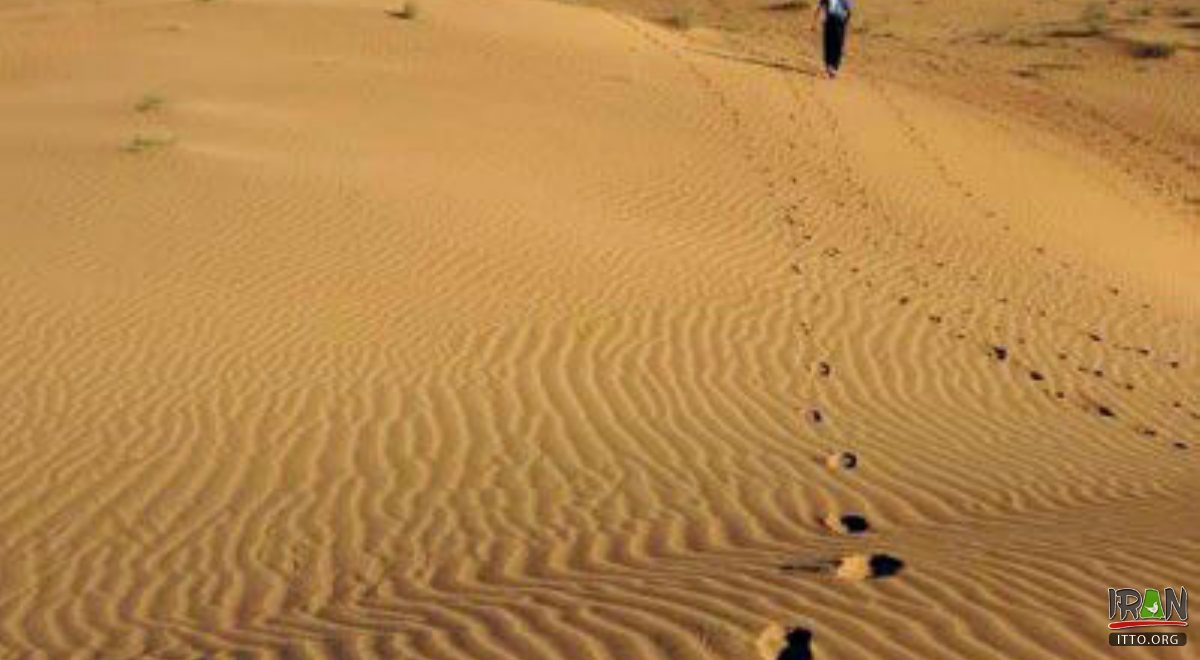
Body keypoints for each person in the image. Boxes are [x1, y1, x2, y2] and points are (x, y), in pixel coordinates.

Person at [812, 0, 852, 78]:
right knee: (828, 43)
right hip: (829, 19)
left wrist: (845, 22)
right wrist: (815, 21)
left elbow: (849, 10)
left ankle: (834, 67)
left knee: (838, 43)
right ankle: (829, 66)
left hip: (840, 20)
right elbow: (820, 5)